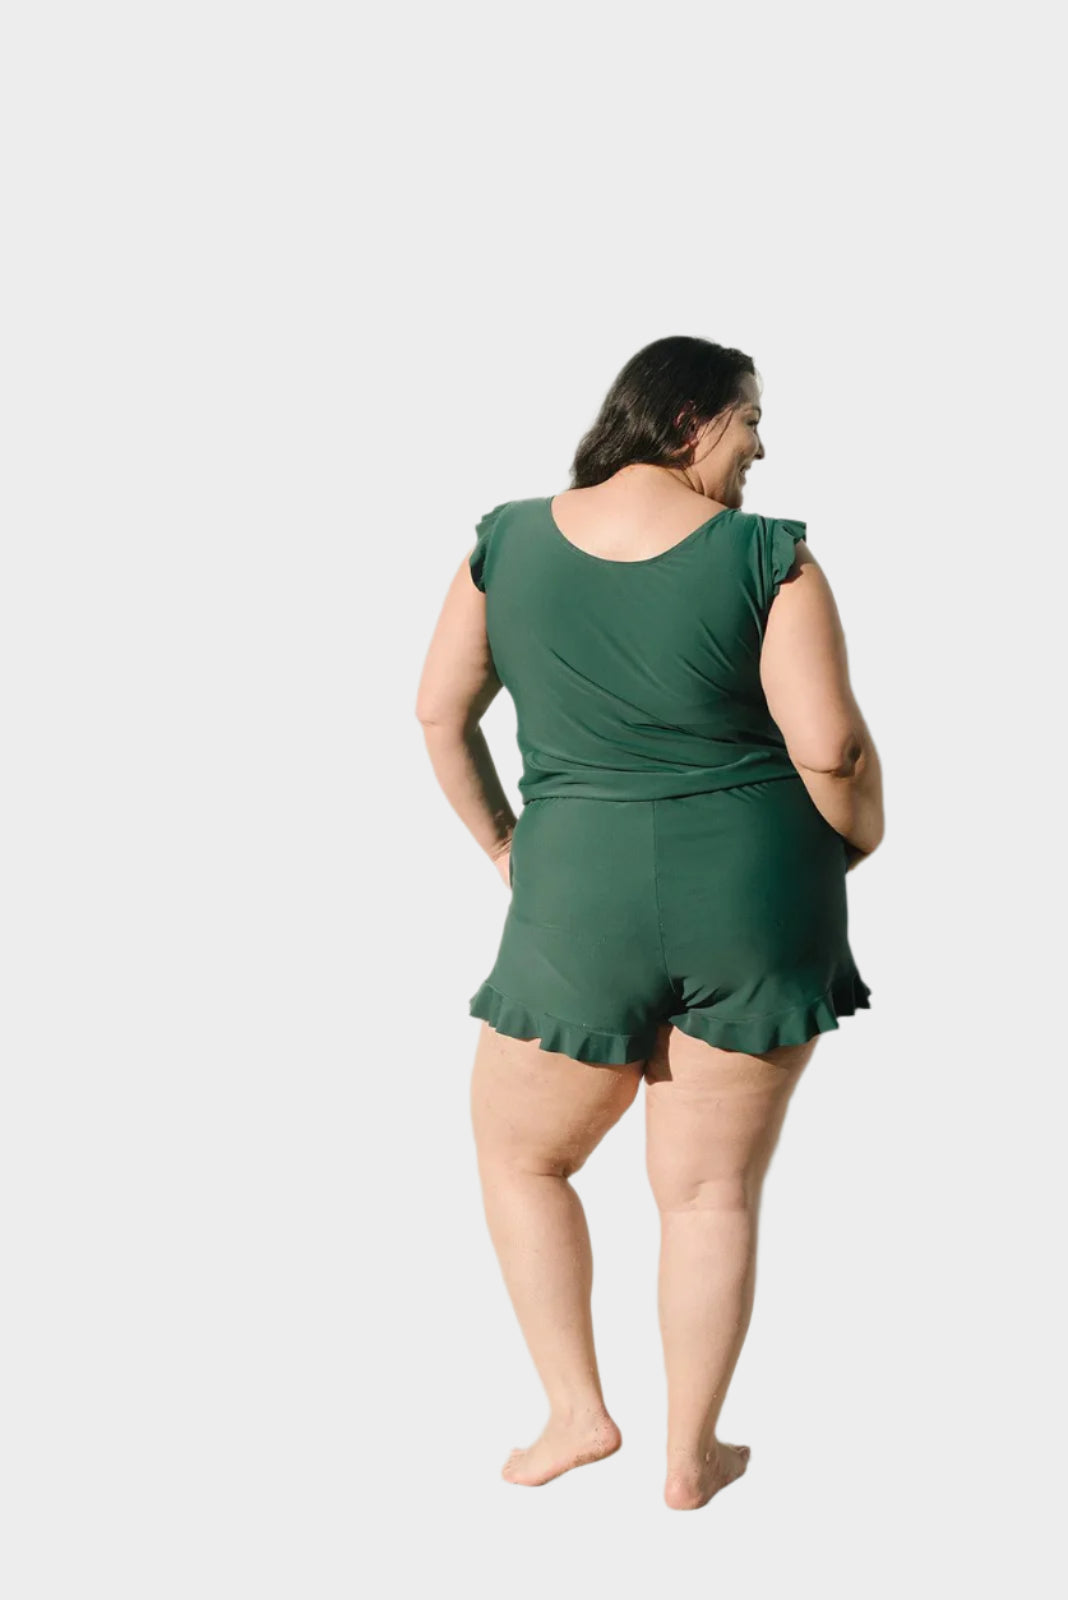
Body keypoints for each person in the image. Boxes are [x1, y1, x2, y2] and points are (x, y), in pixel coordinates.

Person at [415, 335, 884, 1511]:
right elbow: (830, 748)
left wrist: (508, 848)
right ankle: (691, 1454)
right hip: (758, 896)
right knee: (709, 1192)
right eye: (749, 420)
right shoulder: (769, 559)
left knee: (523, 1156)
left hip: (578, 895)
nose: (761, 447)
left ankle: (577, 1413)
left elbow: (437, 713)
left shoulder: (506, 543)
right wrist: (857, 836)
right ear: (688, 421)